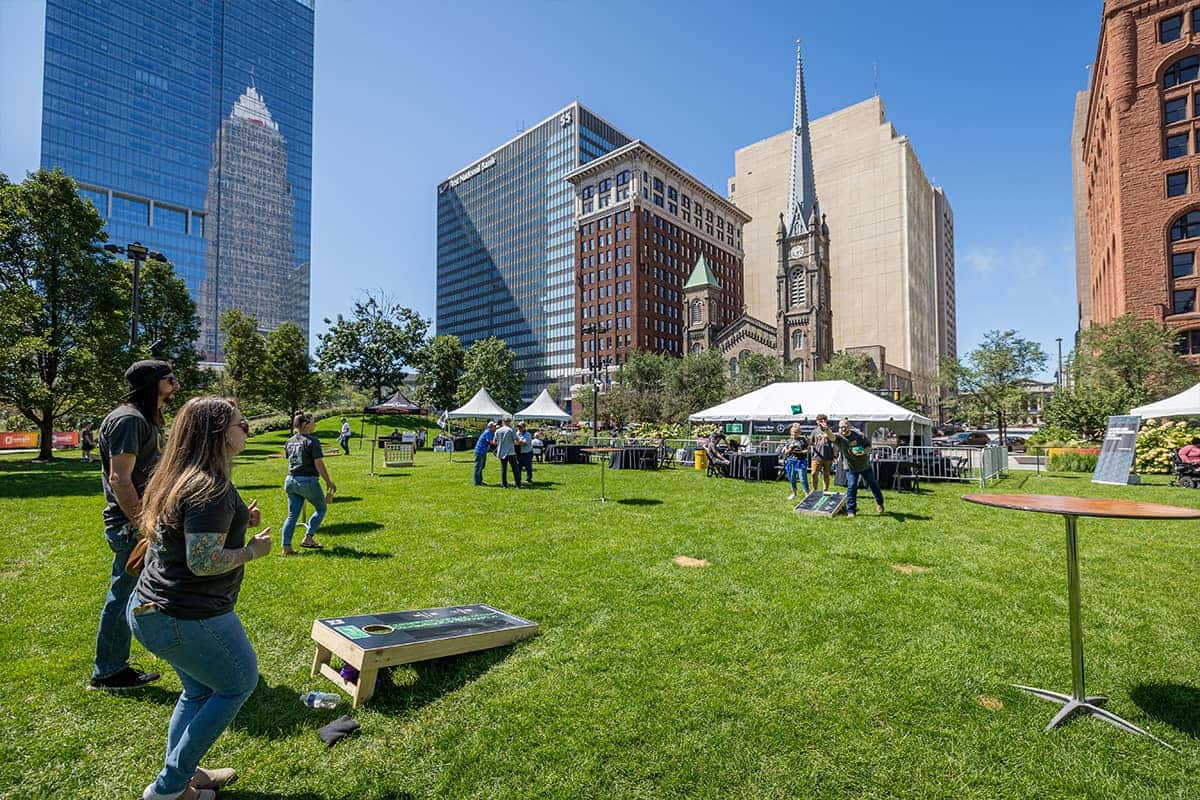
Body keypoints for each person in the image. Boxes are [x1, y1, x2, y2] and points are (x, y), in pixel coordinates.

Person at [127, 396, 271, 800]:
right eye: (241, 424)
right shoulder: (209, 489)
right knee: (238, 683)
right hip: (184, 616)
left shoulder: (183, 475)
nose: (248, 429)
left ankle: (185, 775)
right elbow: (204, 561)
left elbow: (194, 529)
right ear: (216, 434)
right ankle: (170, 789)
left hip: (151, 610)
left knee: (199, 690)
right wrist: (251, 551)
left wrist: (242, 518)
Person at [89, 359, 179, 692]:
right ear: (152, 384)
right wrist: (143, 522)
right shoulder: (127, 420)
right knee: (124, 593)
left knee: (134, 591)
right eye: (169, 380)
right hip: (132, 524)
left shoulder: (145, 418)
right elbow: (120, 478)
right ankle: (109, 671)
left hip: (144, 519)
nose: (176, 385)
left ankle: (115, 664)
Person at [280, 412, 336, 554]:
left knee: (292, 515)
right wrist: (328, 481)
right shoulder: (312, 441)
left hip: (290, 480)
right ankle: (308, 537)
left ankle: (286, 547)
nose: (315, 424)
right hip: (307, 480)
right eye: (313, 421)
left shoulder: (289, 441)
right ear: (305, 424)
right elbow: (319, 463)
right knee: (321, 509)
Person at [821, 417, 884, 518]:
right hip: (851, 467)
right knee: (852, 487)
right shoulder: (839, 437)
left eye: (845, 427)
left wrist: (864, 452)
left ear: (849, 426)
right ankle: (851, 511)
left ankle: (880, 503)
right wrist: (826, 429)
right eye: (841, 427)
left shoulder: (859, 435)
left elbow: (868, 446)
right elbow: (832, 437)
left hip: (865, 465)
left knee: (873, 484)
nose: (843, 429)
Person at [779, 423, 810, 500]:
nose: (794, 434)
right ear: (790, 432)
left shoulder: (803, 440)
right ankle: (794, 493)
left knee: (803, 479)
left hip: (800, 461)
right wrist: (790, 449)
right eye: (793, 432)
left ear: (799, 432)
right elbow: (785, 452)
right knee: (791, 478)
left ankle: (807, 494)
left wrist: (800, 452)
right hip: (791, 461)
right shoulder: (788, 441)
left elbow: (808, 451)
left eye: (796, 432)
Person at [809, 414, 835, 491]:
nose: (823, 422)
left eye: (824, 420)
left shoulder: (829, 430)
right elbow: (811, 442)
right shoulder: (814, 431)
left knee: (826, 474)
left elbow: (834, 441)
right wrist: (809, 441)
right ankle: (814, 490)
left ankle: (825, 490)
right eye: (820, 421)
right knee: (813, 473)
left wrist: (834, 455)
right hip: (817, 456)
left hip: (828, 456)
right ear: (817, 422)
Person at [495, 417, 522, 488]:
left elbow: (494, 441)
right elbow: (516, 440)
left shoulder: (498, 430)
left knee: (503, 469)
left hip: (501, 451)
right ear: (509, 422)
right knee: (515, 468)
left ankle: (504, 485)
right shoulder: (511, 430)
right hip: (510, 452)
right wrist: (519, 443)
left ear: (503, 422)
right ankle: (518, 484)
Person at [473, 421, 497, 486]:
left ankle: (479, 481)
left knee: (481, 467)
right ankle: (477, 482)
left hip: (483, 451)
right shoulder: (488, 432)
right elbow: (490, 441)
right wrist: (498, 444)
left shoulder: (491, 432)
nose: (495, 427)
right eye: (494, 426)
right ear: (490, 427)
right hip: (480, 451)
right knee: (478, 466)